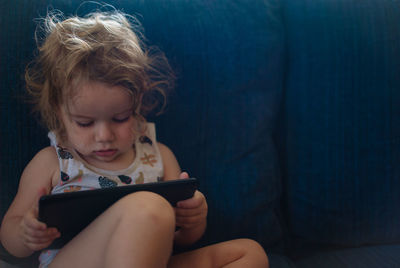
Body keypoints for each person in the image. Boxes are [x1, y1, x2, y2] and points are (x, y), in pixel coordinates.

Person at [0, 10, 269, 268]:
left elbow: (180, 240)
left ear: (137, 103)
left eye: (120, 118)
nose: (104, 136)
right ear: (59, 112)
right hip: (75, 262)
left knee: (249, 253)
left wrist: (193, 220)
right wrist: (25, 233)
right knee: (147, 207)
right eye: (84, 123)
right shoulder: (52, 162)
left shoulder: (158, 155)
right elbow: (10, 240)